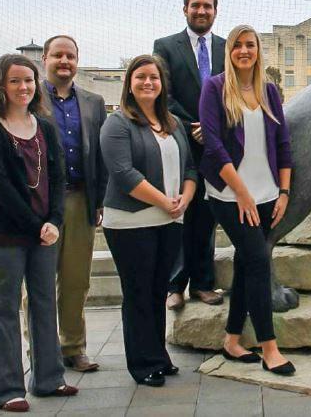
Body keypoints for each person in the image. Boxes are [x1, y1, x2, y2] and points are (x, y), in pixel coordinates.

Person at [0, 54, 78, 412]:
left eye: (29, 80)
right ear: (2, 85)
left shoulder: (45, 127)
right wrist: (37, 227)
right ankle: (7, 390)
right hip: (7, 234)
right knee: (3, 308)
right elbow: (1, 188)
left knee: (43, 303)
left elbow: (58, 178)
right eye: (15, 80)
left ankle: (49, 379)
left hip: (44, 233)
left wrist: (54, 221)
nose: (23, 87)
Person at [198, 24, 295, 375]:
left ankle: (232, 340)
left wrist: (283, 192)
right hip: (229, 194)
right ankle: (270, 348)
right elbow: (213, 143)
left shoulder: (269, 91)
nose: (243, 51)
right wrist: (241, 193)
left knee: (246, 264)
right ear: (230, 51)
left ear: (257, 50)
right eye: (237, 45)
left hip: (268, 193)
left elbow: (283, 144)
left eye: (250, 45)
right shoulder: (214, 88)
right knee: (257, 260)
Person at [99, 55, 197, 387]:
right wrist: (164, 201)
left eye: (153, 77)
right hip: (131, 222)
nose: (148, 83)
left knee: (158, 291)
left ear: (161, 84)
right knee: (139, 293)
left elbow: (191, 170)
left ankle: (159, 356)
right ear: (129, 83)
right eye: (140, 77)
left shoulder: (173, 123)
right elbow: (124, 174)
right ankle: (143, 365)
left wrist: (185, 197)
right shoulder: (118, 123)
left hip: (169, 221)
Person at [23, 35, 107, 373]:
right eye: (57, 55)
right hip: (41, 203)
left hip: (80, 199)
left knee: (76, 280)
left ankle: (73, 346)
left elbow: (99, 156)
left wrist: (98, 201)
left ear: (77, 60)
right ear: (44, 58)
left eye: (70, 56)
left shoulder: (93, 102)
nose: (64, 61)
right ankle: (41, 351)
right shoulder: (30, 97)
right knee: (40, 280)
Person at [154, 0, 226, 310]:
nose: (201, 11)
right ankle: (174, 286)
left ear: (215, 11)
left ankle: (203, 284)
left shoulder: (227, 48)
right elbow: (163, 95)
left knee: (208, 216)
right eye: (195, 6)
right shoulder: (166, 47)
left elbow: (234, 95)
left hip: (216, 147)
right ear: (185, 9)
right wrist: (193, 127)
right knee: (179, 213)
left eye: (207, 6)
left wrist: (212, 129)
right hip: (181, 143)